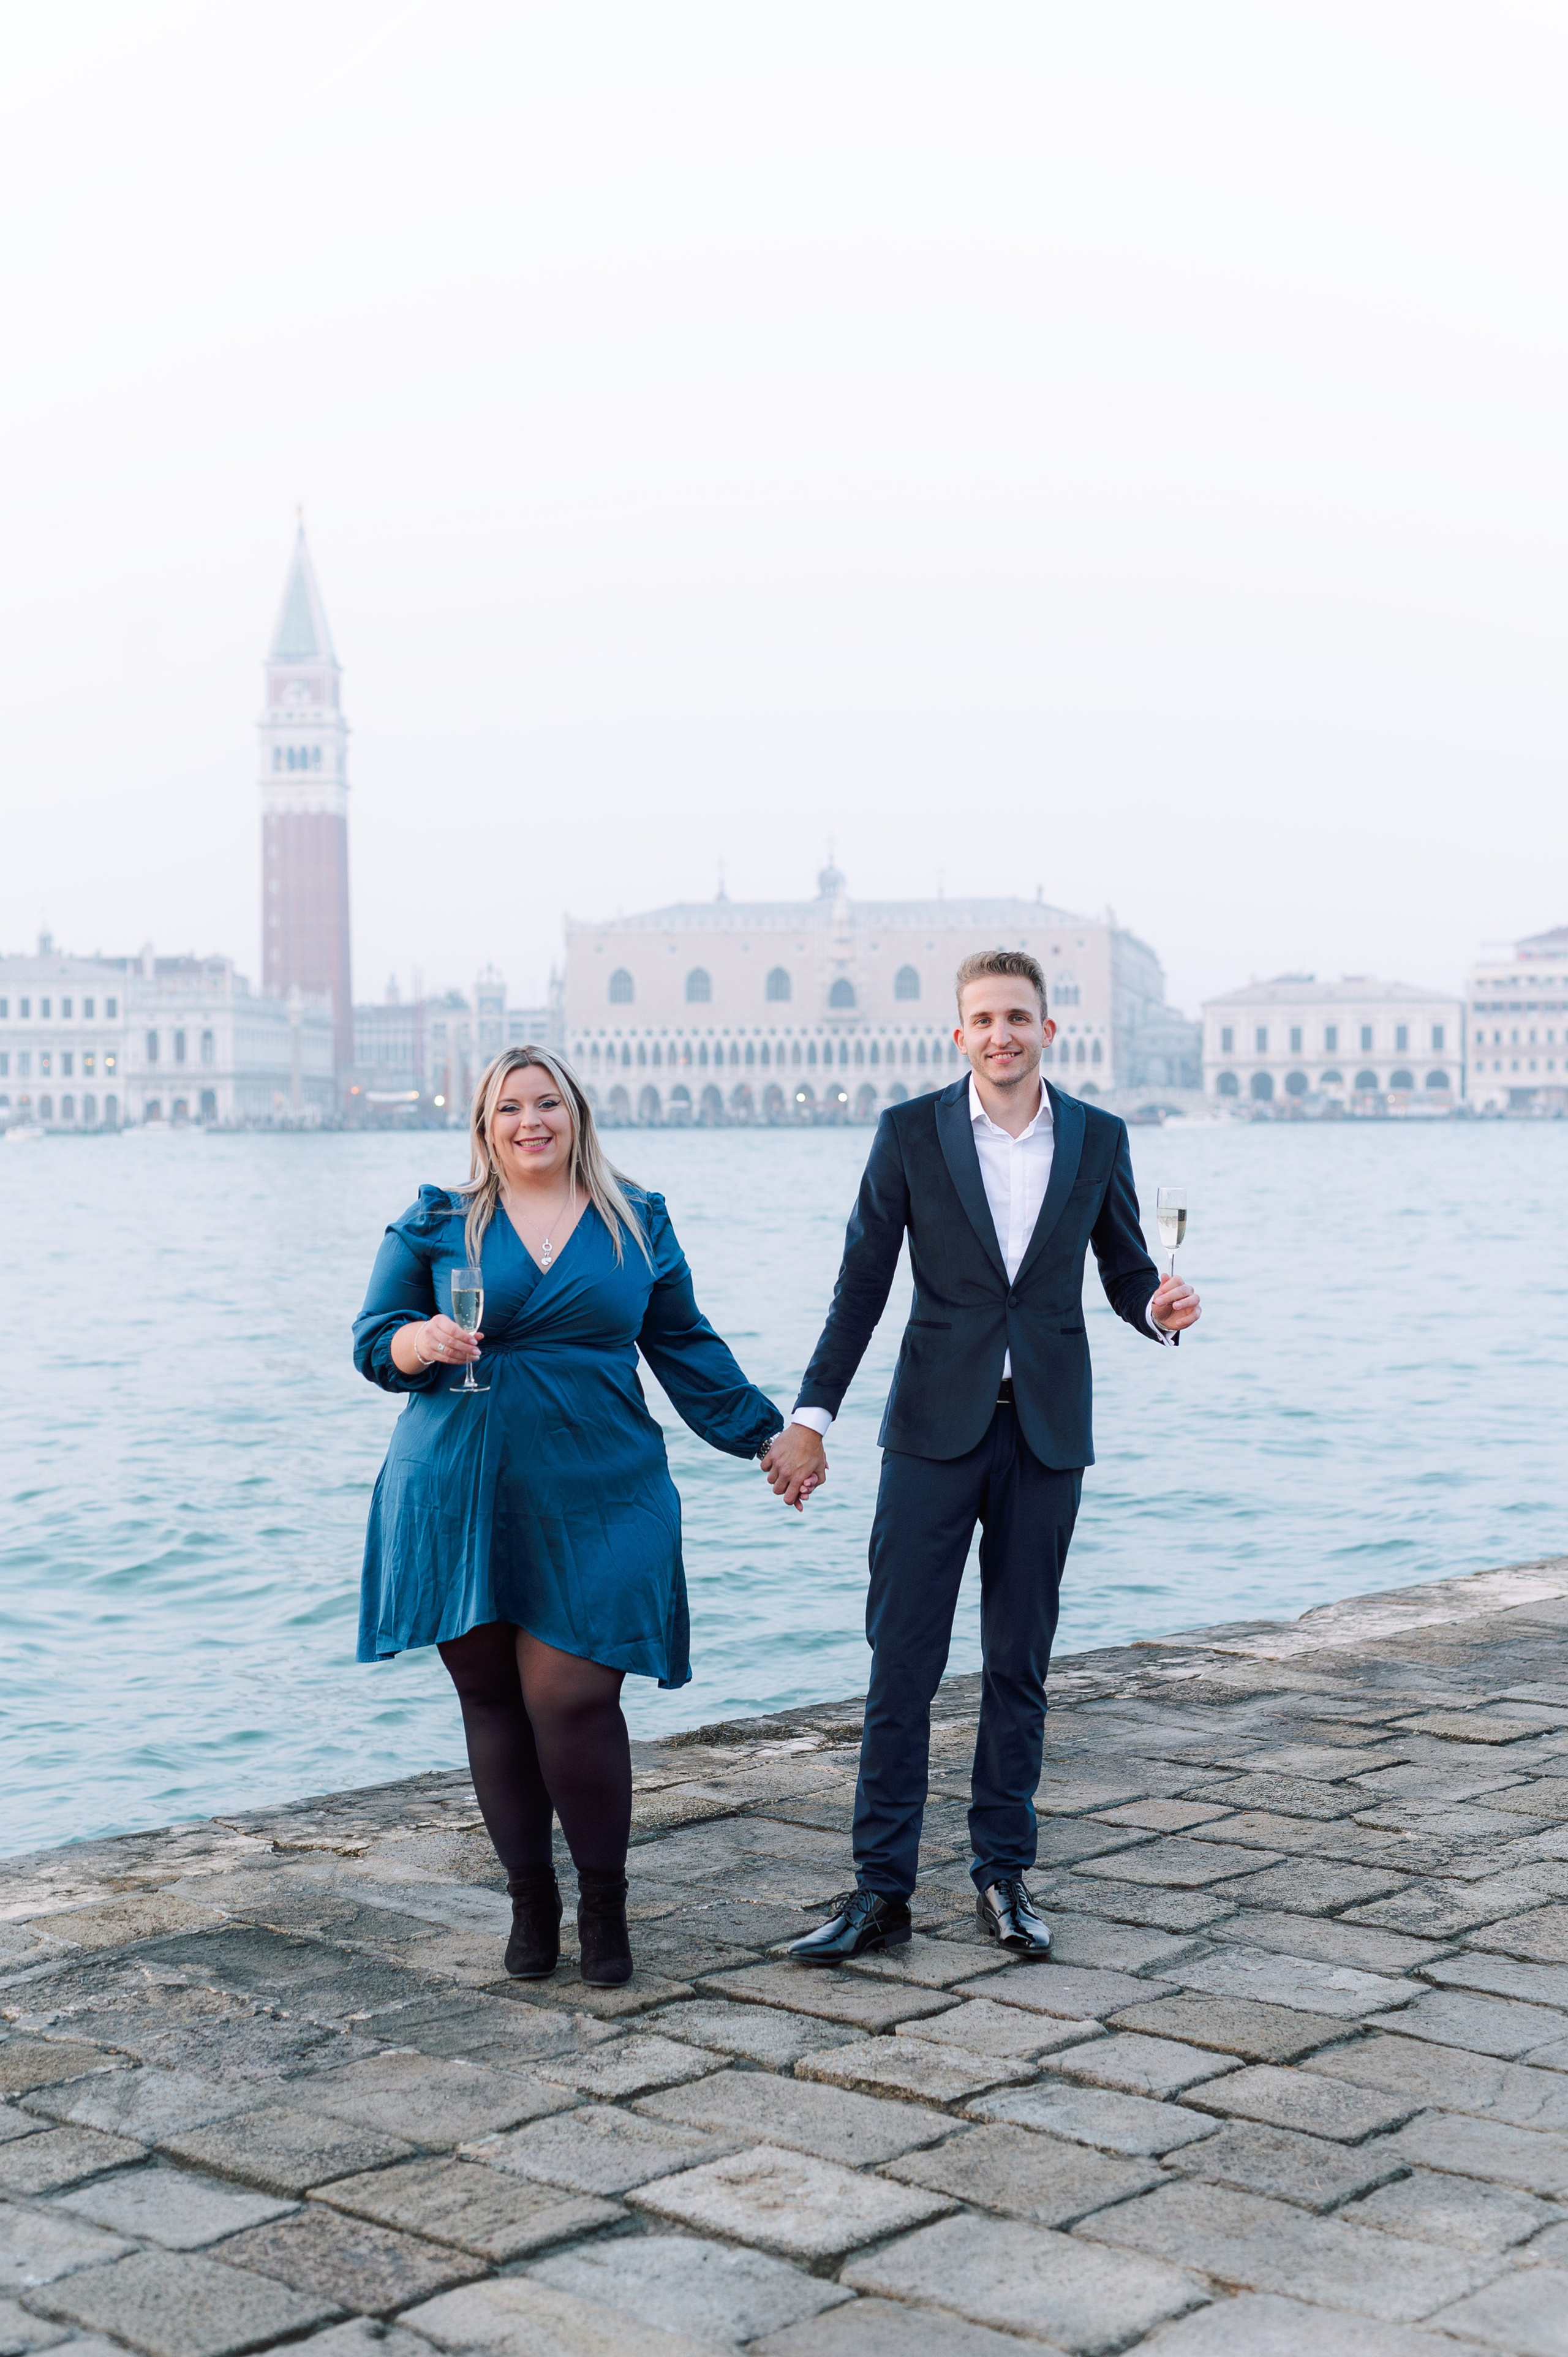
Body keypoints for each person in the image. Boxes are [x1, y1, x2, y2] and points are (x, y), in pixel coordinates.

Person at [760, 949, 1200, 1964]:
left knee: (1020, 1665)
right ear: (958, 1036)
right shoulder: (909, 1133)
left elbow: (1128, 1267)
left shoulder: (1098, 1136)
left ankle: (1004, 1879)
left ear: (1050, 1030)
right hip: (929, 1432)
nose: (1002, 1033)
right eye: (984, 1019)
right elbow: (861, 1284)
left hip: (1046, 1431)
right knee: (901, 1664)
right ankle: (881, 1893)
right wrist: (810, 1418)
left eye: (1019, 1016)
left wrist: (1158, 1311)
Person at [353, 1047, 783, 1986]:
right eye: (510, 1109)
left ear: (578, 1115)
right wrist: (419, 1340)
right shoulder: (436, 1221)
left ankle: (603, 1898)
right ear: (484, 1126)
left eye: (549, 1103)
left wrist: (767, 1437)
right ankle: (529, 1898)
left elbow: (685, 1347)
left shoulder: (638, 1220)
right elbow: (371, 1340)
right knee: (493, 1699)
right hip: (459, 1482)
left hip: (603, 1481)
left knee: (574, 1696)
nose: (531, 1122)